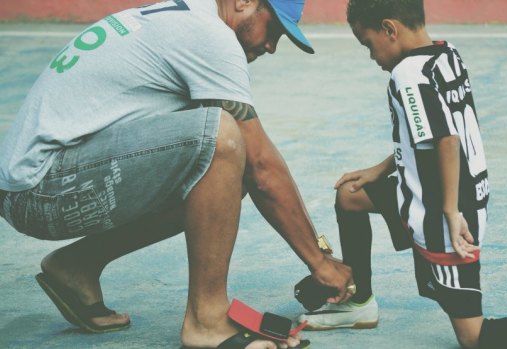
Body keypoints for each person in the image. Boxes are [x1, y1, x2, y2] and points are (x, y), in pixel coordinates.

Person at [0, 0, 355, 348]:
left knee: (226, 173)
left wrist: (319, 253)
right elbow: (262, 165)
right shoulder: (210, 36)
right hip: (41, 190)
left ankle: (77, 265)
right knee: (222, 137)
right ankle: (207, 320)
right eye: (274, 30)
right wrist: (319, 260)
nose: (271, 47)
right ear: (244, 2)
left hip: (38, 183)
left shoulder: (187, 15)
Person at [297, 0, 507, 348]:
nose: (371, 55)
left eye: (368, 43)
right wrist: (378, 170)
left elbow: (446, 141)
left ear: (390, 29)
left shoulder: (408, 74)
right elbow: (429, 136)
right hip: (434, 193)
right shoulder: (446, 54)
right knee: (351, 196)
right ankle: (358, 303)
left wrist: (450, 212)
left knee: (473, 337)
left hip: (445, 214)